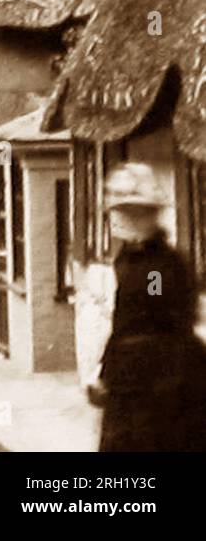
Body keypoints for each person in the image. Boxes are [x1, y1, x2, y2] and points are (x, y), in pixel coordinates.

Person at [93, 163, 206, 451]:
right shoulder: (131, 257)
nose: (120, 217)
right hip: (133, 377)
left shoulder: (158, 265)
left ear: (149, 214)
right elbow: (127, 320)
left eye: (131, 211)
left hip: (162, 380)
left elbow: (153, 307)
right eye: (118, 210)